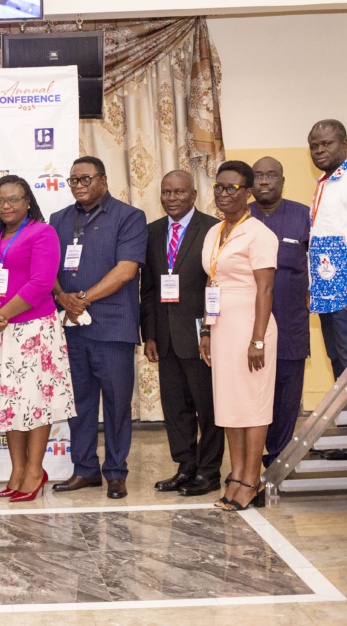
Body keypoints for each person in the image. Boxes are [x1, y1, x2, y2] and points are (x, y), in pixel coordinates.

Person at [48, 156, 147, 500]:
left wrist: (82, 298)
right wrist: (61, 296)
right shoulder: (58, 219)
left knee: (117, 404)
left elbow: (126, 270)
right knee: (80, 403)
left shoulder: (129, 216)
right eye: (73, 180)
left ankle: (116, 473)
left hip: (112, 328)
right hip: (71, 327)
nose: (78, 185)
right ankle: (85, 469)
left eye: (85, 179)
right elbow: (48, 268)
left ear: (103, 180)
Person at [0, 176, 75, 502]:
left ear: (28, 201)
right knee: (9, 402)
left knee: (34, 402)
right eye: (0, 200)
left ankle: (34, 471)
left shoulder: (42, 233)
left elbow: (41, 283)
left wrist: (1, 315)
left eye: (14, 199)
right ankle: (17, 471)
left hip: (33, 331)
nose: (7, 206)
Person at [199, 160, 278, 511]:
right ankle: (236, 477)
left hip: (251, 328)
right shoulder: (214, 231)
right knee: (230, 406)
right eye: (219, 186)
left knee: (253, 405)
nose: (223, 193)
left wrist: (257, 339)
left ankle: (251, 480)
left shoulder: (259, 234)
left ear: (248, 193)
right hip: (221, 330)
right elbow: (211, 281)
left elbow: (265, 290)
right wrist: (206, 329)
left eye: (232, 187)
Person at [140, 171, 223, 497]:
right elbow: (148, 288)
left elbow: (216, 285)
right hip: (165, 336)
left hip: (201, 336)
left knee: (209, 408)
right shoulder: (152, 232)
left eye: (179, 192)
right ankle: (186, 467)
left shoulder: (212, 229)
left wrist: (209, 329)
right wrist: (149, 334)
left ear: (193, 194)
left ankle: (209, 471)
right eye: (166, 192)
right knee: (175, 409)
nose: (171, 198)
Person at [308, 120, 347, 460]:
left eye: (327, 144)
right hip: (328, 293)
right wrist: (312, 286)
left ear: (344, 143)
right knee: (339, 365)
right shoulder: (325, 183)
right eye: (314, 146)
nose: (320, 150)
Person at [248, 157, 311, 468]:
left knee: (286, 396)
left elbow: (319, 261)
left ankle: (278, 462)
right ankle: (249, 462)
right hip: (248, 326)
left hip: (290, 323)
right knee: (252, 394)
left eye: (271, 175)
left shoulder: (304, 215)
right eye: (258, 175)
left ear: (282, 182)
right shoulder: (240, 216)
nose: (264, 181)